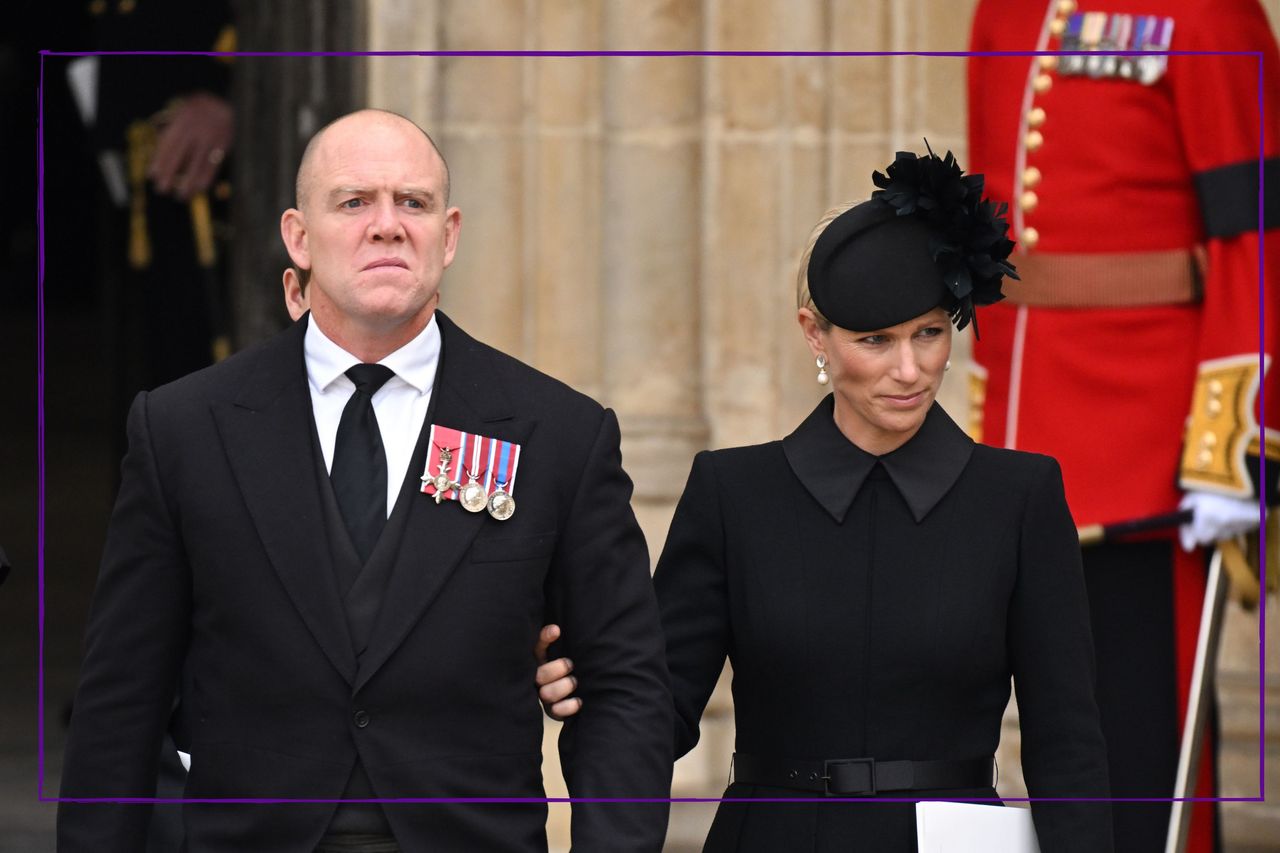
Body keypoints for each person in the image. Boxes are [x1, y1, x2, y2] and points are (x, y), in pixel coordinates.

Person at [58, 108, 673, 853]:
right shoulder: (184, 429)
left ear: (447, 236)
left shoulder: (559, 434)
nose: (386, 225)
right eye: (354, 202)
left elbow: (626, 687)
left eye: (411, 203)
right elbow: (122, 700)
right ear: (297, 235)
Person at [541, 147, 1113, 851]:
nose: (910, 369)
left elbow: (1068, 746)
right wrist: (587, 683)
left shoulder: (1020, 497)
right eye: (876, 340)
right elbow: (652, 711)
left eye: (929, 333)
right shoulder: (733, 495)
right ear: (816, 333)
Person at [968, 2, 1279, 849]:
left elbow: (1254, 222)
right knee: (1050, 725)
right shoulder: (1007, 10)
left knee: (1144, 731)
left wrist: (1237, 420)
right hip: (1026, 413)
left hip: (1151, 425)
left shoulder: (1206, 12)